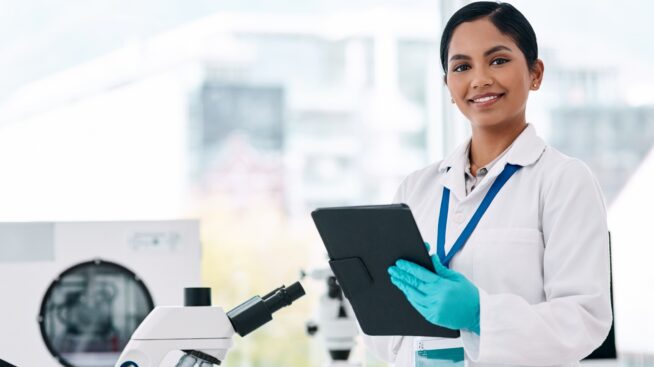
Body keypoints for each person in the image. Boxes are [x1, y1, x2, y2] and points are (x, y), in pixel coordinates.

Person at [362, 2, 612, 366]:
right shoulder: (416, 188)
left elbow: (583, 320)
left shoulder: (563, 180)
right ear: (448, 85)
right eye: (462, 67)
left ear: (536, 73)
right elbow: (386, 331)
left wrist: (481, 315)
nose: (480, 79)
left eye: (498, 60)